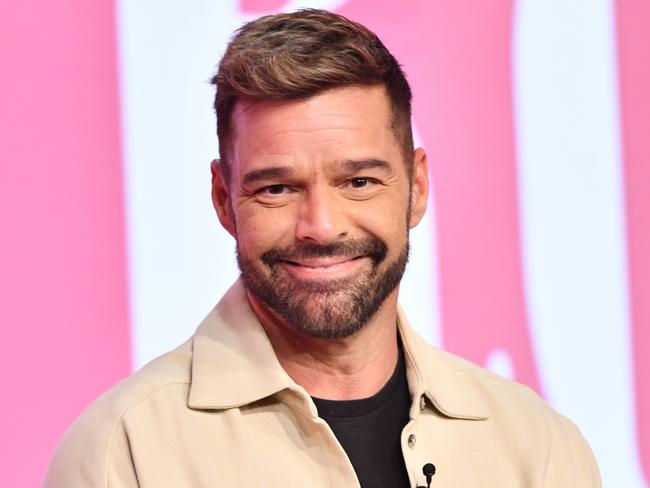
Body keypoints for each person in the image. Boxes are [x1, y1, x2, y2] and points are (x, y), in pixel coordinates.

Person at [44, 9, 601, 488]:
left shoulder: (537, 447)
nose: (321, 226)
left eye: (358, 181)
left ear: (417, 187)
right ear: (223, 200)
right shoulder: (126, 452)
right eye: (277, 188)